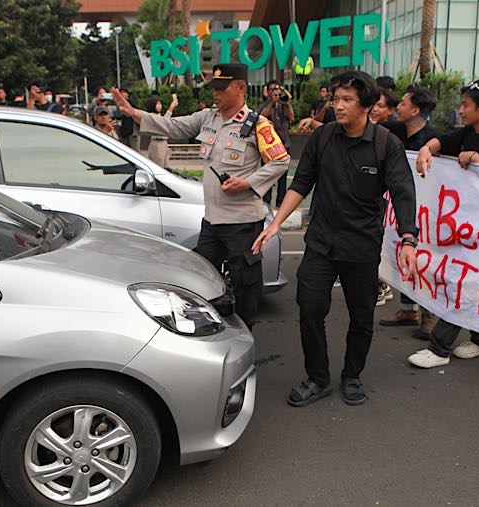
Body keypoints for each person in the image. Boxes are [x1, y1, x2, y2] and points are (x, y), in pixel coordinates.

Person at [252, 71, 418, 407]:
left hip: (361, 247)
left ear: (367, 106)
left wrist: (408, 240)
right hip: (321, 243)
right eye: (335, 99)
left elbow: (403, 194)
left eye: (347, 100)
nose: (338, 106)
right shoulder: (323, 137)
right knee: (310, 308)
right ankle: (318, 378)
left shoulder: (386, 144)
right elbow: (302, 183)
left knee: (361, 315)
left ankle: (352, 376)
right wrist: (275, 224)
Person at [111, 63, 290, 330]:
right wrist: (133, 112)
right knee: (202, 280)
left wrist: (248, 183)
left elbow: (281, 161)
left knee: (246, 287)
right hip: (212, 223)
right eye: (214, 88)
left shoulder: (257, 125)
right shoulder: (208, 118)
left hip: (243, 224)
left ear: (240, 88)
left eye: (222, 88)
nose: (216, 94)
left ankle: (245, 335)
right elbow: (171, 126)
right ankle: (210, 333)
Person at [407, 79, 479, 370]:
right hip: (463, 227)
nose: (461, 110)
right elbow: (441, 140)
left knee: (461, 284)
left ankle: (439, 347)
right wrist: (426, 150)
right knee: (471, 284)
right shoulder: (466, 133)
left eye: (466, 105)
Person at [378, 86, 440, 338]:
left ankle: (429, 314)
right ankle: (407, 310)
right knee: (399, 253)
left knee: (425, 258)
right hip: (401, 209)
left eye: (403, 103)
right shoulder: (396, 133)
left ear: (415, 110)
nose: (398, 108)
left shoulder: (433, 139)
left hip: (427, 212)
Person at [260, 80, 295, 208]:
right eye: (273, 89)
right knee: (267, 175)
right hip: (268, 147)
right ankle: (266, 202)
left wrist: (286, 104)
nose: (276, 92)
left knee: (283, 176)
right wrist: (272, 103)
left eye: (278, 89)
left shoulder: (284, 103)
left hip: (284, 144)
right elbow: (262, 116)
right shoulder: (265, 104)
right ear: (267, 91)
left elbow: (292, 118)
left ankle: (280, 203)